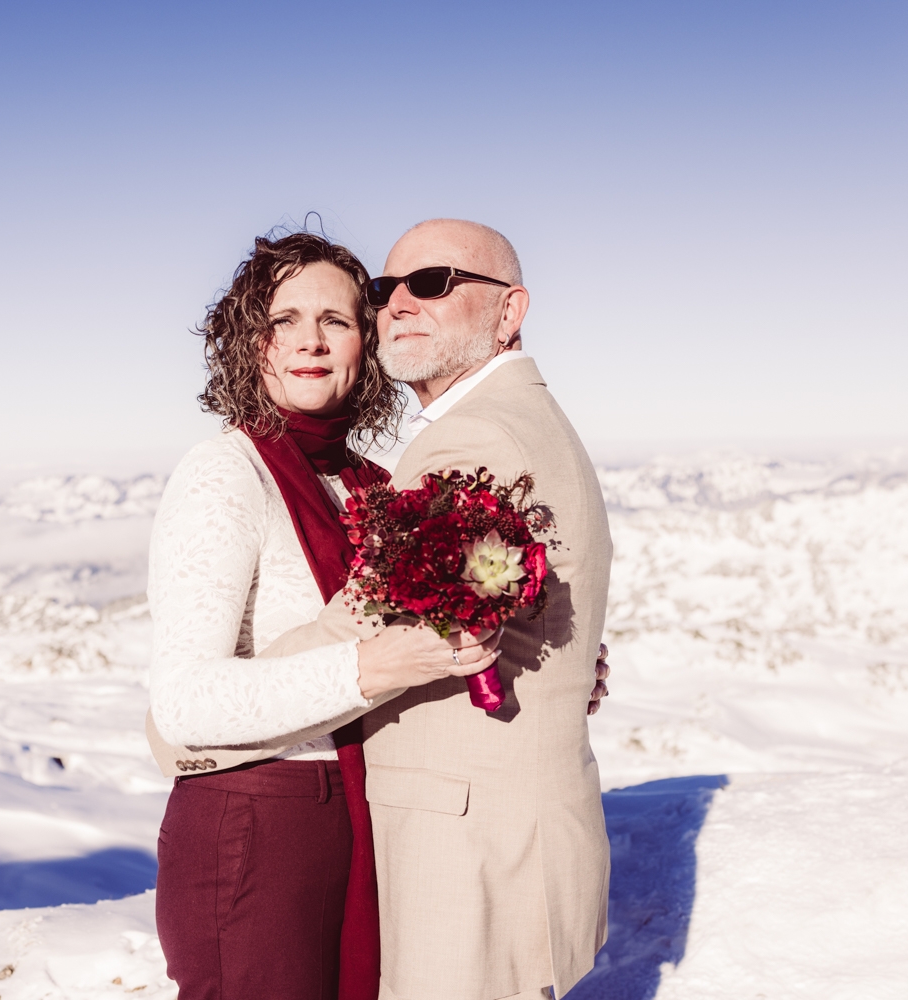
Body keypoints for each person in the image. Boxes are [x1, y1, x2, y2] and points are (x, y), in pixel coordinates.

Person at [146, 231, 507, 1000]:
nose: (310, 340)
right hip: (254, 818)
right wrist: (371, 668)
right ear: (252, 340)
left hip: (354, 814)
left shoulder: (371, 486)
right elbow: (184, 702)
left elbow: (426, 636)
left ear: (366, 343)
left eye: (336, 321)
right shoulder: (227, 473)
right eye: (284, 319)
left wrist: (527, 651)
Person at [259, 219, 614, 1000]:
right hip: (513, 833)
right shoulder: (526, 420)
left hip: (470, 849)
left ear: (509, 311)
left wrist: (222, 693)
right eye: (387, 291)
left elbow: (368, 622)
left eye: (434, 283)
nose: (399, 306)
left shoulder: (474, 437)